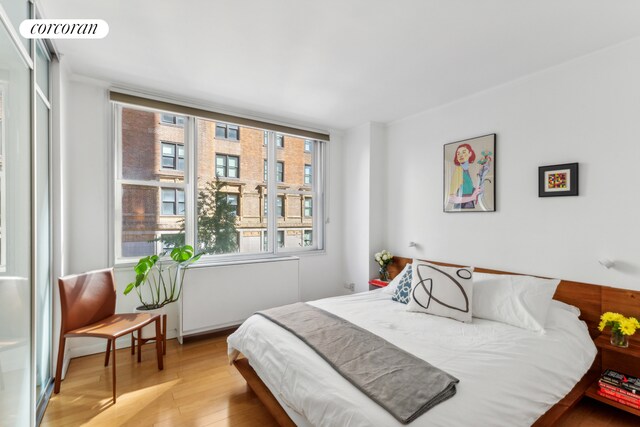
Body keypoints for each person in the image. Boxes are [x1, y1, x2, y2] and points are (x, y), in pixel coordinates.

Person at [448, 143, 476, 209]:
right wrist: (471, 198)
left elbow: (467, 188)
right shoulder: (458, 171)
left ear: (470, 153)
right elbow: (451, 198)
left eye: (463, 152)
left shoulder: (467, 170)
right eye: (458, 154)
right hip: (461, 206)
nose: (460, 155)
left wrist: (476, 191)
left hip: (469, 205)